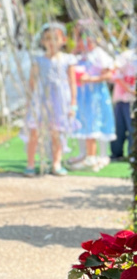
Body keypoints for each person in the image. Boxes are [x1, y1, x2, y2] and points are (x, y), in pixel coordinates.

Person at [23, 22, 77, 177]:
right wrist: (29, 102)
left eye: (55, 38)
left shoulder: (68, 60)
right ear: (42, 41)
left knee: (57, 132)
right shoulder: (38, 61)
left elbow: (72, 83)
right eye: (47, 38)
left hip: (59, 100)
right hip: (41, 100)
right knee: (34, 131)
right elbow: (32, 82)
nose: (51, 42)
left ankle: (56, 163)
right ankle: (31, 163)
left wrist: (73, 103)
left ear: (63, 40)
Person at [68, 20, 115, 171]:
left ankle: (101, 155)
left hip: (95, 94)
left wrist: (91, 79)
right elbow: (67, 66)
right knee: (82, 121)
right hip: (82, 95)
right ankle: (83, 153)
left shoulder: (98, 54)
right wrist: (75, 50)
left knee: (96, 121)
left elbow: (109, 74)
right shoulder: (79, 55)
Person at [109, 44, 135, 161]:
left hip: (133, 101)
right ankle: (116, 153)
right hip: (122, 99)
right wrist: (128, 89)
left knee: (133, 128)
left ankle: (132, 154)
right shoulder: (127, 56)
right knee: (119, 128)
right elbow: (116, 73)